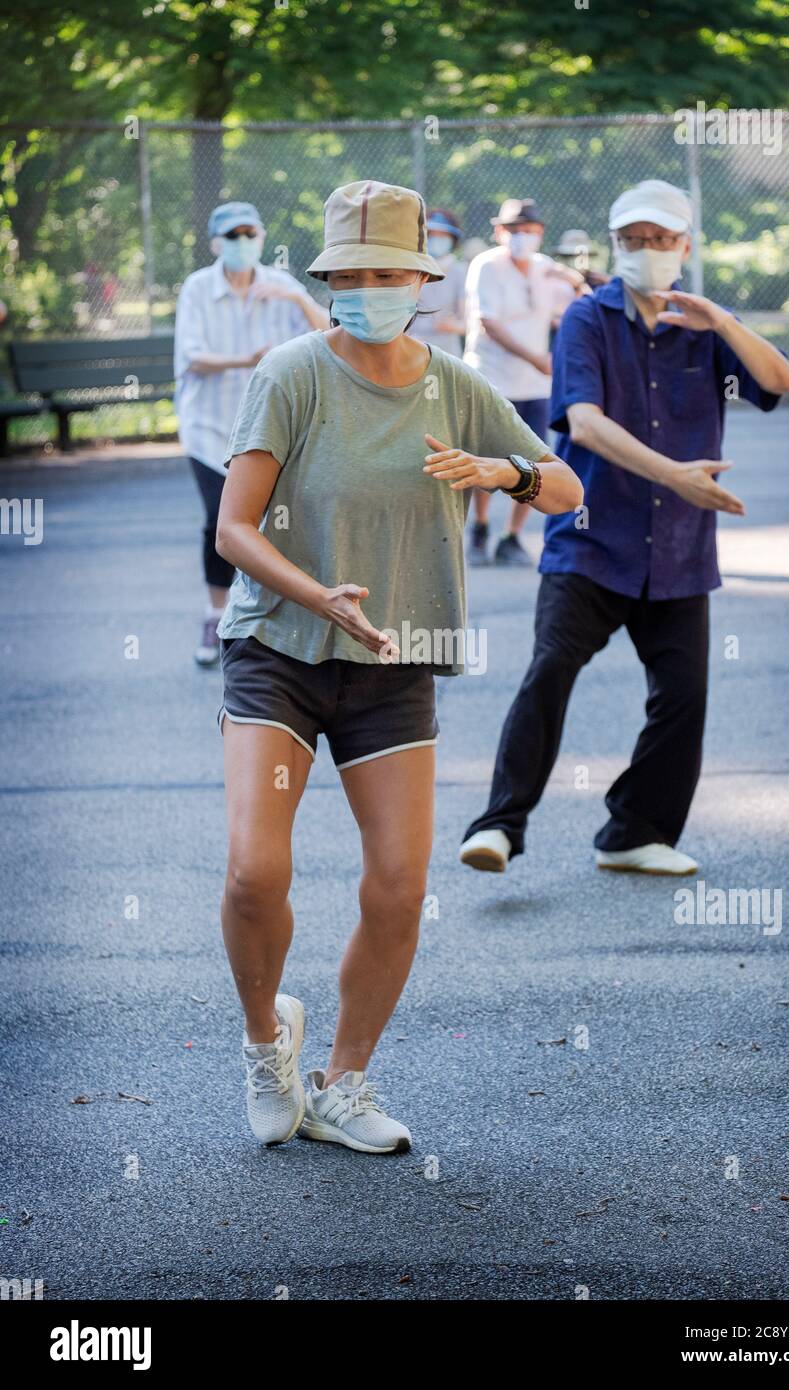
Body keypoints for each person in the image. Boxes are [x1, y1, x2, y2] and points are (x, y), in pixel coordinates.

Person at [212, 180, 583, 1152]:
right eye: (356, 273)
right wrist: (316, 593)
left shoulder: (451, 384)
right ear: (332, 279)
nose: (373, 286)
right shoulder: (292, 372)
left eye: (391, 272)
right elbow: (234, 526)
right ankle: (265, 1043)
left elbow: (563, 485)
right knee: (255, 871)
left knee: (395, 882)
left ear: (419, 281)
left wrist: (500, 471)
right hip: (280, 647)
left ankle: (342, 1085)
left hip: (393, 658)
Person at [459, 179, 789, 878]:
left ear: (684, 247)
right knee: (551, 668)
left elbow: (779, 381)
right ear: (616, 246)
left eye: (660, 240)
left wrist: (725, 323)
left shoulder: (704, 327)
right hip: (591, 538)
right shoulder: (587, 318)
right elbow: (583, 422)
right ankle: (499, 825)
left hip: (677, 552)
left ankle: (634, 833)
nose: (646, 251)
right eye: (632, 241)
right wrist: (674, 474)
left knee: (683, 696)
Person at [174, 201, 328, 667]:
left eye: (250, 233)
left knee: (276, 524)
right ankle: (215, 612)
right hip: (210, 429)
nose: (243, 241)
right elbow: (193, 357)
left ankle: (271, 618)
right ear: (217, 243)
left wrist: (299, 300)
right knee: (220, 523)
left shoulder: (280, 285)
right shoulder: (198, 288)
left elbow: (331, 335)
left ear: (261, 237)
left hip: (269, 433)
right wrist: (250, 358)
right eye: (233, 234)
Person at [463, 198, 563, 567]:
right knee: (487, 459)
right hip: (493, 379)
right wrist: (537, 358)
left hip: (535, 386)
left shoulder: (546, 268)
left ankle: (512, 537)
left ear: (540, 233)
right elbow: (489, 322)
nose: (523, 236)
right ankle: (481, 528)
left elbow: (566, 312)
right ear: (499, 231)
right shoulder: (486, 265)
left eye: (530, 230)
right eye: (514, 230)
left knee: (537, 463)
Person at [408, 207, 466, 358]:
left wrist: (453, 326)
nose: (437, 240)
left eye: (443, 235)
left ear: (452, 239)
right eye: (432, 235)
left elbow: (467, 321)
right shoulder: (411, 268)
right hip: (411, 346)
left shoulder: (458, 271)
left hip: (448, 352)